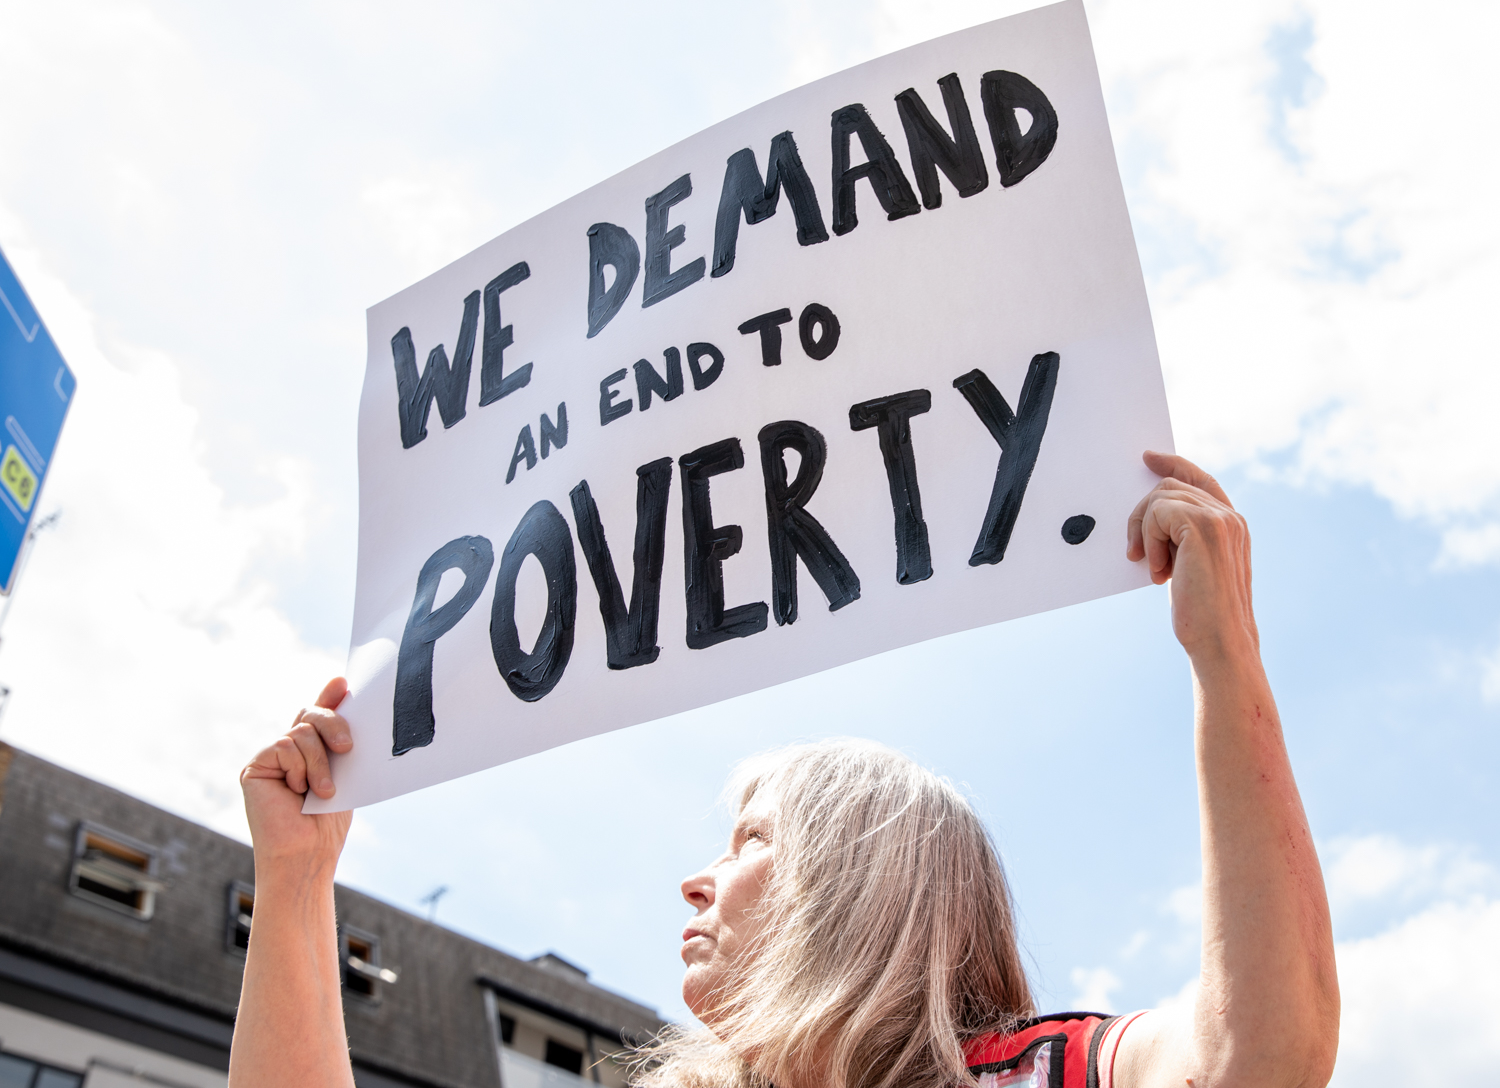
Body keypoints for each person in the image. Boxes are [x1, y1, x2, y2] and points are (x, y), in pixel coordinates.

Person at [228, 452, 1340, 1088]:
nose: (696, 880)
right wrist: (294, 887)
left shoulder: (1038, 1074)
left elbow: (1263, 1050)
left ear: (864, 892)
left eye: (753, 840)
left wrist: (1223, 659)